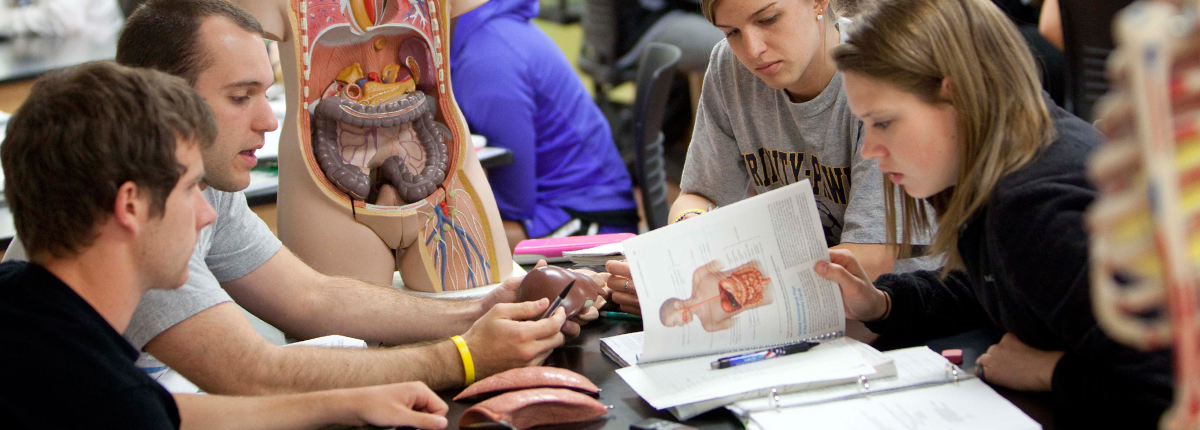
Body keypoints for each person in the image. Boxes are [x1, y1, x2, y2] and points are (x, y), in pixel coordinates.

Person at [3, 0, 592, 395]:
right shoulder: (137, 219)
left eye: (266, 92)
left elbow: (308, 296)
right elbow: (253, 372)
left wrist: (483, 307)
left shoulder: (203, 185)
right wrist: (464, 355)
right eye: (240, 97)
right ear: (166, 98)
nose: (266, 120)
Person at [0, 61, 449, 430]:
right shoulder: (108, 401)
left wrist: (339, 404)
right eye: (191, 188)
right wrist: (462, 358)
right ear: (130, 206)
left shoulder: (24, 303)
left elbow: (170, 411)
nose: (207, 212)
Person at [816, 0, 1172, 425]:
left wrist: (1046, 371)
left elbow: (1166, 384)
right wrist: (884, 304)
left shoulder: (1036, 210)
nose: (871, 150)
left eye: (884, 123)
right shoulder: (1017, 150)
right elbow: (1003, 286)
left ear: (955, 96)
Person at [604, 0, 937, 321]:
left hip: (898, 313)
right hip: (780, 300)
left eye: (768, 19)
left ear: (819, 2)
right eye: (731, 32)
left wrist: (714, 287)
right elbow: (697, 196)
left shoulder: (877, 73)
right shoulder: (729, 67)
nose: (753, 49)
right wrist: (688, 243)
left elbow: (865, 262)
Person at [450, 0, 639, 248]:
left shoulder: (488, 60)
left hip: (591, 219)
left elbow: (513, 204)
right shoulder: (492, 32)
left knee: (440, 239)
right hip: (569, 203)